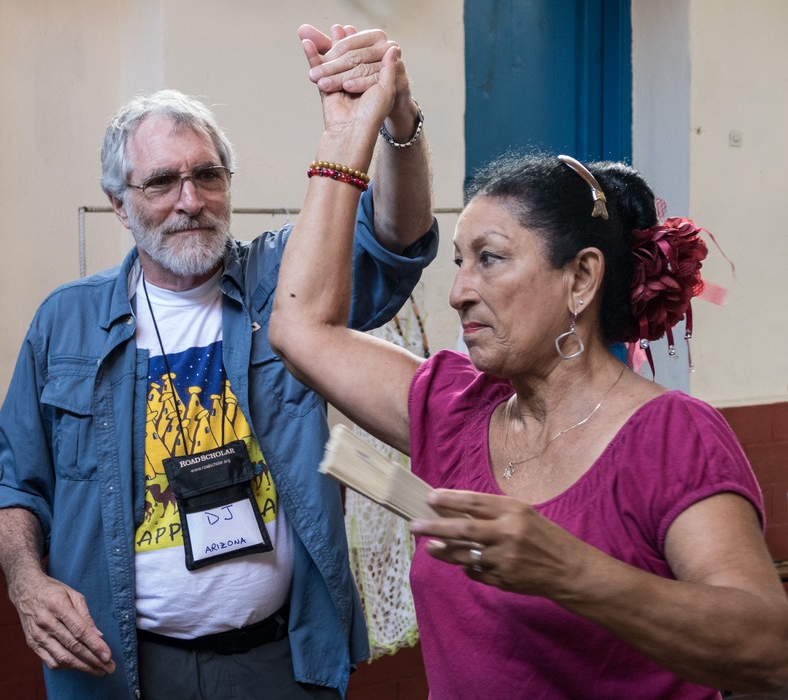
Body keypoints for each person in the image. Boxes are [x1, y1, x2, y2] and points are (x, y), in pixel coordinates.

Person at [268, 48, 788, 699]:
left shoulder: (671, 437)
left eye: (489, 259)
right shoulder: (452, 407)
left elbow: (768, 649)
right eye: (458, 261)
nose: (458, 291)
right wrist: (349, 139)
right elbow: (299, 328)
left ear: (579, 279)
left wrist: (567, 570)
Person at [0, 24, 437, 699]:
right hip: (120, 667)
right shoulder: (65, 322)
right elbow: (11, 483)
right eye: (161, 182)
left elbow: (394, 240)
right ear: (119, 207)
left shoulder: (284, 281)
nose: (190, 202)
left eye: (206, 176)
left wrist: (393, 118)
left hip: (276, 659)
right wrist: (25, 580)